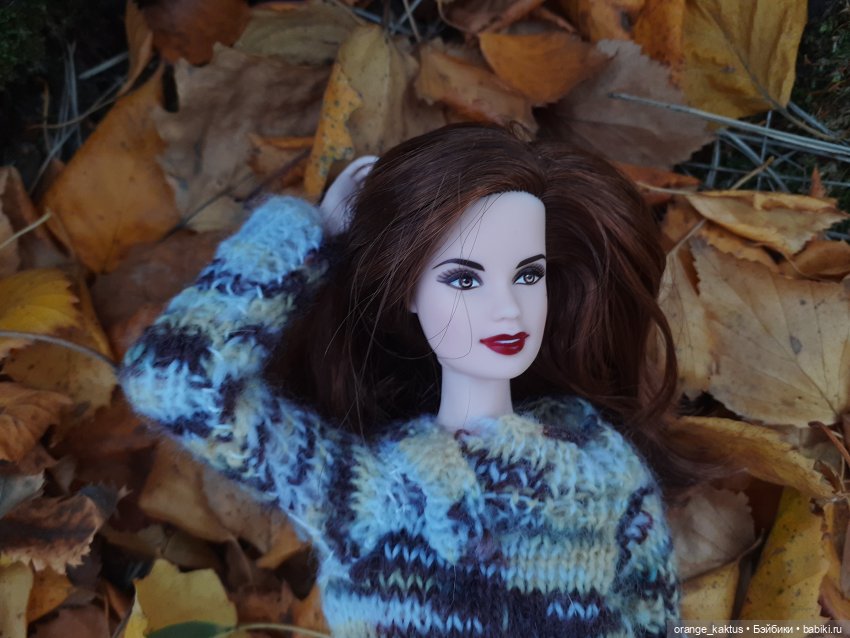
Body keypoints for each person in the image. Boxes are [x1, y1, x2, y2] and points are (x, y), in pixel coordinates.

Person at [120, 123, 681, 637]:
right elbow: (174, 380)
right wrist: (310, 234)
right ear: (409, 291)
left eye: (528, 275)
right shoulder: (372, 492)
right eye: (465, 280)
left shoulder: (606, 471)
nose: (507, 308)